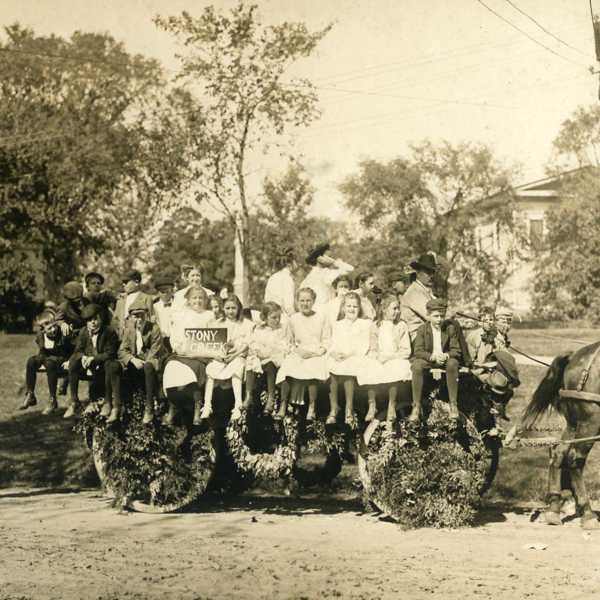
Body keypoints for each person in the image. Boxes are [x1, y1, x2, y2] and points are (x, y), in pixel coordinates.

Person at [275, 287, 331, 420]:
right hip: (299, 351)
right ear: (297, 301)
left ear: (313, 301)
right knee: (287, 367)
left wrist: (318, 352)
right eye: (302, 301)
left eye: (308, 300)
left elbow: (327, 339)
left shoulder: (321, 317)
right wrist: (297, 350)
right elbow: (288, 341)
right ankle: (283, 404)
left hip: (316, 352)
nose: (305, 304)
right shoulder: (293, 319)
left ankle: (312, 407)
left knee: (313, 368)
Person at [164, 286, 216, 425]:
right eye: (194, 298)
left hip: (201, 355)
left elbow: (214, 338)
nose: (197, 301)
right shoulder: (183, 315)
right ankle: (172, 406)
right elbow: (176, 337)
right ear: (188, 300)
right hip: (184, 354)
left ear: (205, 300)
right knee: (171, 367)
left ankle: (197, 407)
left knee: (196, 370)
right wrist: (182, 346)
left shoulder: (209, 315)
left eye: (200, 298)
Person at [358, 294, 412, 423]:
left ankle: (391, 404)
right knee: (369, 366)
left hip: (396, 357)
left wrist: (391, 356)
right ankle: (372, 405)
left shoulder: (401, 326)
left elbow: (406, 350)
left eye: (398, 308)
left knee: (396, 367)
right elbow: (373, 347)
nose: (397, 311)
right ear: (384, 309)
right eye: (394, 308)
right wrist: (377, 356)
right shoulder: (375, 326)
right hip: (379, 357)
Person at [201, 295, 254, 422]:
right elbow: (213, 343)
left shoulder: (247, 324)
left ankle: (237, 405)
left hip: (238, 355)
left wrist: (234, 355)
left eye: (233, 308)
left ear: (239, 309)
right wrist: (219, 355)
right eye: (227, 308)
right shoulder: (218, 323)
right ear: (223, 309)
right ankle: (207, 405)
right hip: (222, 357)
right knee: (211, 369)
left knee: (237, 369)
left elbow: (248, 344)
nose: (230, 311)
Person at [410, 298, 461, 423]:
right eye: (436, 316)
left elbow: (456, 350)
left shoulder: (449, 329)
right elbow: (418, 351)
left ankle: (453, 404)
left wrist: (446, 355)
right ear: (428, 316)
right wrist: (431, 356)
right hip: (429, 359)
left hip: (444, 360)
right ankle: (416, 405)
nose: (439, 320)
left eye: (442, 316)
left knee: (453, 363)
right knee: (416, 365)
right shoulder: (423, 329)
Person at [65, 304, 120, 420]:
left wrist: (93, 358)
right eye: (89, 320)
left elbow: (110, 353)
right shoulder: (84, 332)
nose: (93, 323)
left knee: (109, 364)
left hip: (104, 363)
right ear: (86, 322)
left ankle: (108, 403)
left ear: (100, 318)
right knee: (74, 361)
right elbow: (78, 350)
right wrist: (83, 357)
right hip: (90, 363)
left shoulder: (108, 331)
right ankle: (74, 401)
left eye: (95, 319)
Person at [326, 292, 372, 424]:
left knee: (348, 368)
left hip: (355, 355)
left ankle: (349, 408)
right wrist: (334, 353)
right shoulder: (338, 324)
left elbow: (364, 345)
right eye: (349, 306)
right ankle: (334, 407)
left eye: (355, 307)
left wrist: (348, 354)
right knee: (330, 366)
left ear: (359, 308)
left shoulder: (364, 324)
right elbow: (333, 343)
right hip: (340, 355)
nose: (351, 309)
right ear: (343, 308)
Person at [116, 306, 165, 425]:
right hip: (137, 360)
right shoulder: (129, 330)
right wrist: (132, 359)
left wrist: (143, 361)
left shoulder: (154, 328)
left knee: (148, 366)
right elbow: (122, 350)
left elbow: (155, 350)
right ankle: (125, 408)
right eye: (135, 316)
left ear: (146, 316)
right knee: (124, 371)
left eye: (141, 316)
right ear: (131, 318)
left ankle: (149, 408)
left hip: (153, 360)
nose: (139, 320)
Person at [19, 309, 73, 414]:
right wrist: (38, 360)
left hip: (61, 357)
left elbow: (69, 351)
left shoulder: (62, 334)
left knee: (49, 363)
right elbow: (42, 352)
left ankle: (52, 399)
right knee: (31, 361)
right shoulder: (40, 336)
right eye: (49, 328)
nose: (53, 330)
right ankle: (30, 394)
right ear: (43, 330)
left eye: (54, 326)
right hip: (47, 356)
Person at [245, 302, 290, 414]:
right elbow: (253, 342)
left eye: (278, 317)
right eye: (273, 317)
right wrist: (258, 351)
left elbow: (283, 344)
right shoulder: (259, 329)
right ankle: (248, 395)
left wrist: (269, 352)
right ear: (265, 317)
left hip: (275, 355)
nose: (277, 320)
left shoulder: (281, 329)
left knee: (270, 365)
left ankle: (271, 397)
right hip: (261, 355)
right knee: (250, 362)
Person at [299, 243, 354, 312]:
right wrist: (334, 262)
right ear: (320, 258)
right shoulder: (325, 273)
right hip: (325, 312)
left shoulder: (309, 276)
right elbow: (350, 269)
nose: (330, 259)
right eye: (328, 257)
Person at [400, 253, 437, 340]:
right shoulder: (414, 291)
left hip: (428, 334)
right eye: (428, 272)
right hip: (417, 338)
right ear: (419, 273)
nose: (431, 276)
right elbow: (432, 316)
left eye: (433, 272)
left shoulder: (425, 290)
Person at [113, 270, 155, 337]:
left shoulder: (146, 298)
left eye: (126, 282)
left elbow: (151, 319)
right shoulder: (120, 300)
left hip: (140, 336)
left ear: (136, 282)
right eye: (123, 282)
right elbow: (115, 320)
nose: (123, 284)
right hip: (122, 338)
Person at [264, 247, 299, 318]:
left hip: (271, 316)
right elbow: (288, 306)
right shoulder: (287, 278)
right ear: (290, 264)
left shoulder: (273, 277)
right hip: (282, 318)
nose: (298, 264)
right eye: (296, 261)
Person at [153, 274, 175, 352]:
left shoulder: (178, 305)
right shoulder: (154, 307)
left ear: (172, 291)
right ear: (158, 293)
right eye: (162, 292)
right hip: (161, 342)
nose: (165, 294)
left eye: (168, 291)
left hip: (177, 340)